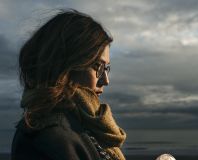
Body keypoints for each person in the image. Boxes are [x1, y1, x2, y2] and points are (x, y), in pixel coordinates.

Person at [11, 9, 126, 160]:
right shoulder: (49, 137)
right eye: (98, 67)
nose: (105, 80)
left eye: (107, 69)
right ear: (65, 66)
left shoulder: (82, 125)